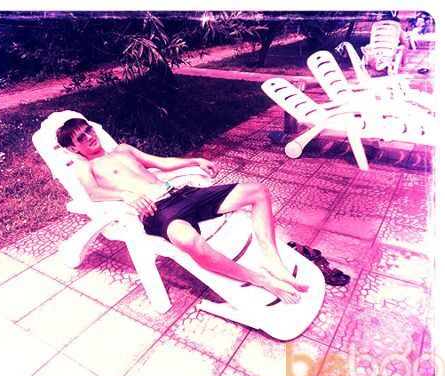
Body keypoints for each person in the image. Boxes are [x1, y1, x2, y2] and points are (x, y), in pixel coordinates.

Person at [56, 118, 308, 304]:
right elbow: (93, 193)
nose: (89, 137)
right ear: (74, 148)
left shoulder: (123, 149)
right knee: (188, 241)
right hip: (159, 210)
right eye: (81, 138)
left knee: (258, 191)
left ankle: (273, 261)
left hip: (182, 193)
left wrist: (195, 160)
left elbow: (162, 163)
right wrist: (125, 195)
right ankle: (259, 278)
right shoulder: (84, 166)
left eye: (88, 130)